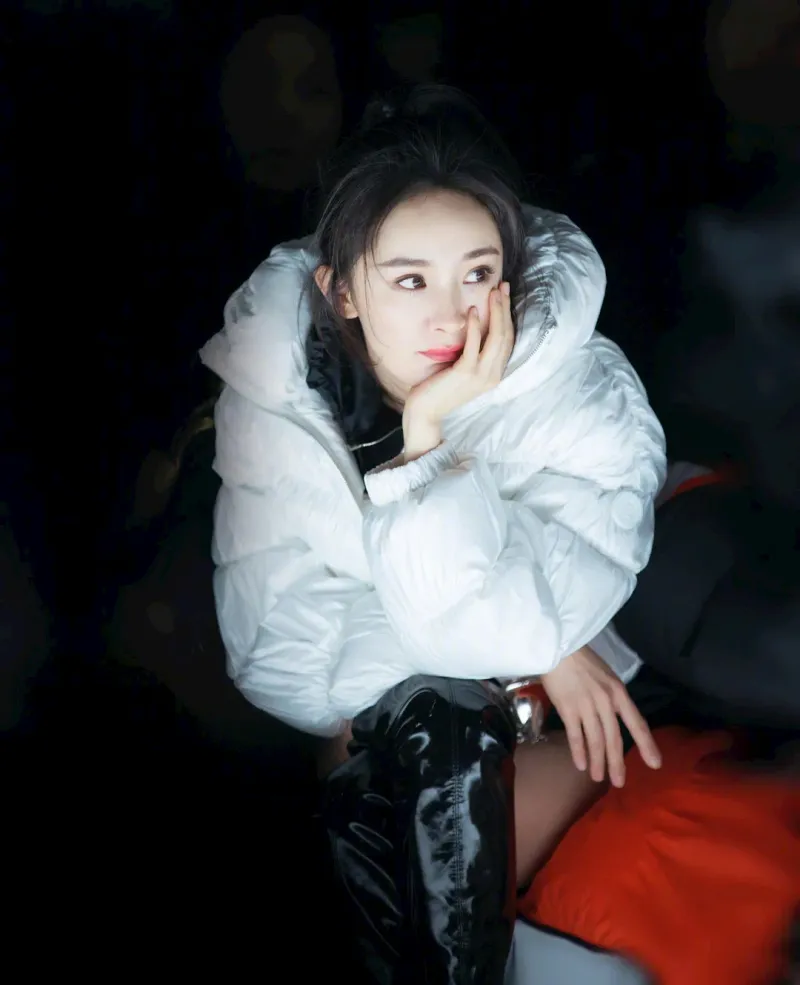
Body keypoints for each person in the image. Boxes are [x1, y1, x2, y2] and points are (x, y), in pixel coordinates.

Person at [200, 85, 667, 983]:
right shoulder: (277, 391)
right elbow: (281, 651)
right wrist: (543, 644)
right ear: (341, 290)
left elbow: (568, 573)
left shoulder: (580, 385)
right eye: (410, 280)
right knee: (428, 725)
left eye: (478, 273)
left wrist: (425, 446)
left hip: (536, 729)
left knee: (404, 789)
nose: (451, 315)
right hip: (392, 727)